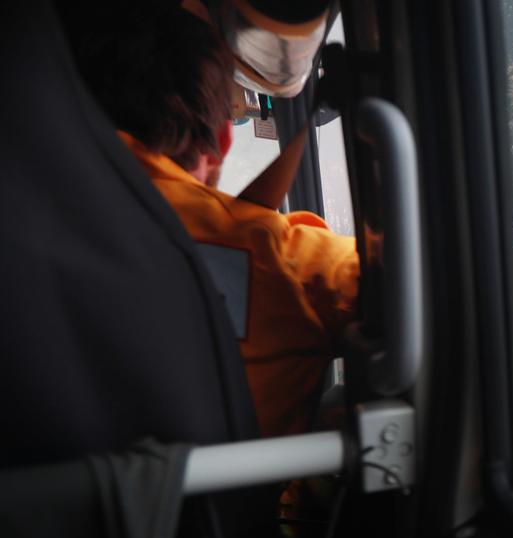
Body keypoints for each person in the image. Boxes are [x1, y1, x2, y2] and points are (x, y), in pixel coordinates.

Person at [65, 3, 358, 438]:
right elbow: (407, 286)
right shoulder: (284, 259)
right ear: (222, 139)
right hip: (216, 506)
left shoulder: (29, 211)